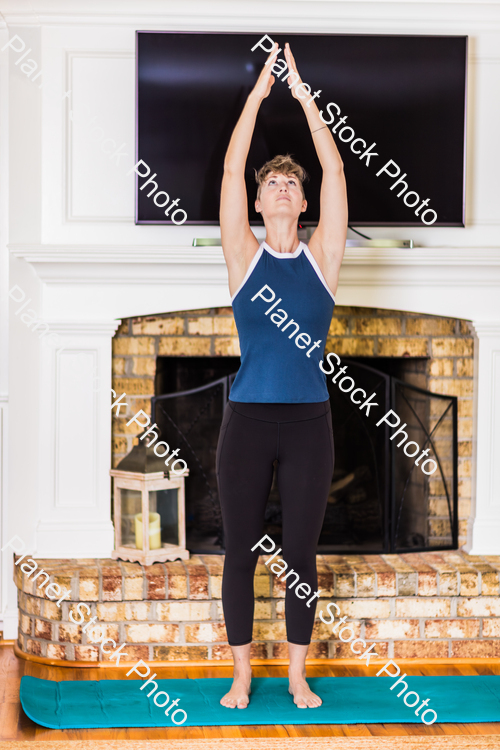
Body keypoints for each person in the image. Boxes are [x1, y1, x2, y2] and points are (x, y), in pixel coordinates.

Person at [217, 42, 347, 710]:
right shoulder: (244, 255)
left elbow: (333, 165)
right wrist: (257, 96)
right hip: (246, 421)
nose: (284, 187)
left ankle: (295, 674)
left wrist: (302, 95)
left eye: (292, 185)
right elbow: (235, 164)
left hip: (308, 424)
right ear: (260, 205)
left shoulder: (323, 257)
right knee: (240, 550)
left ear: (302, 205)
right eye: (274, 184)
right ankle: (242, 674)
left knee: (299, 554)